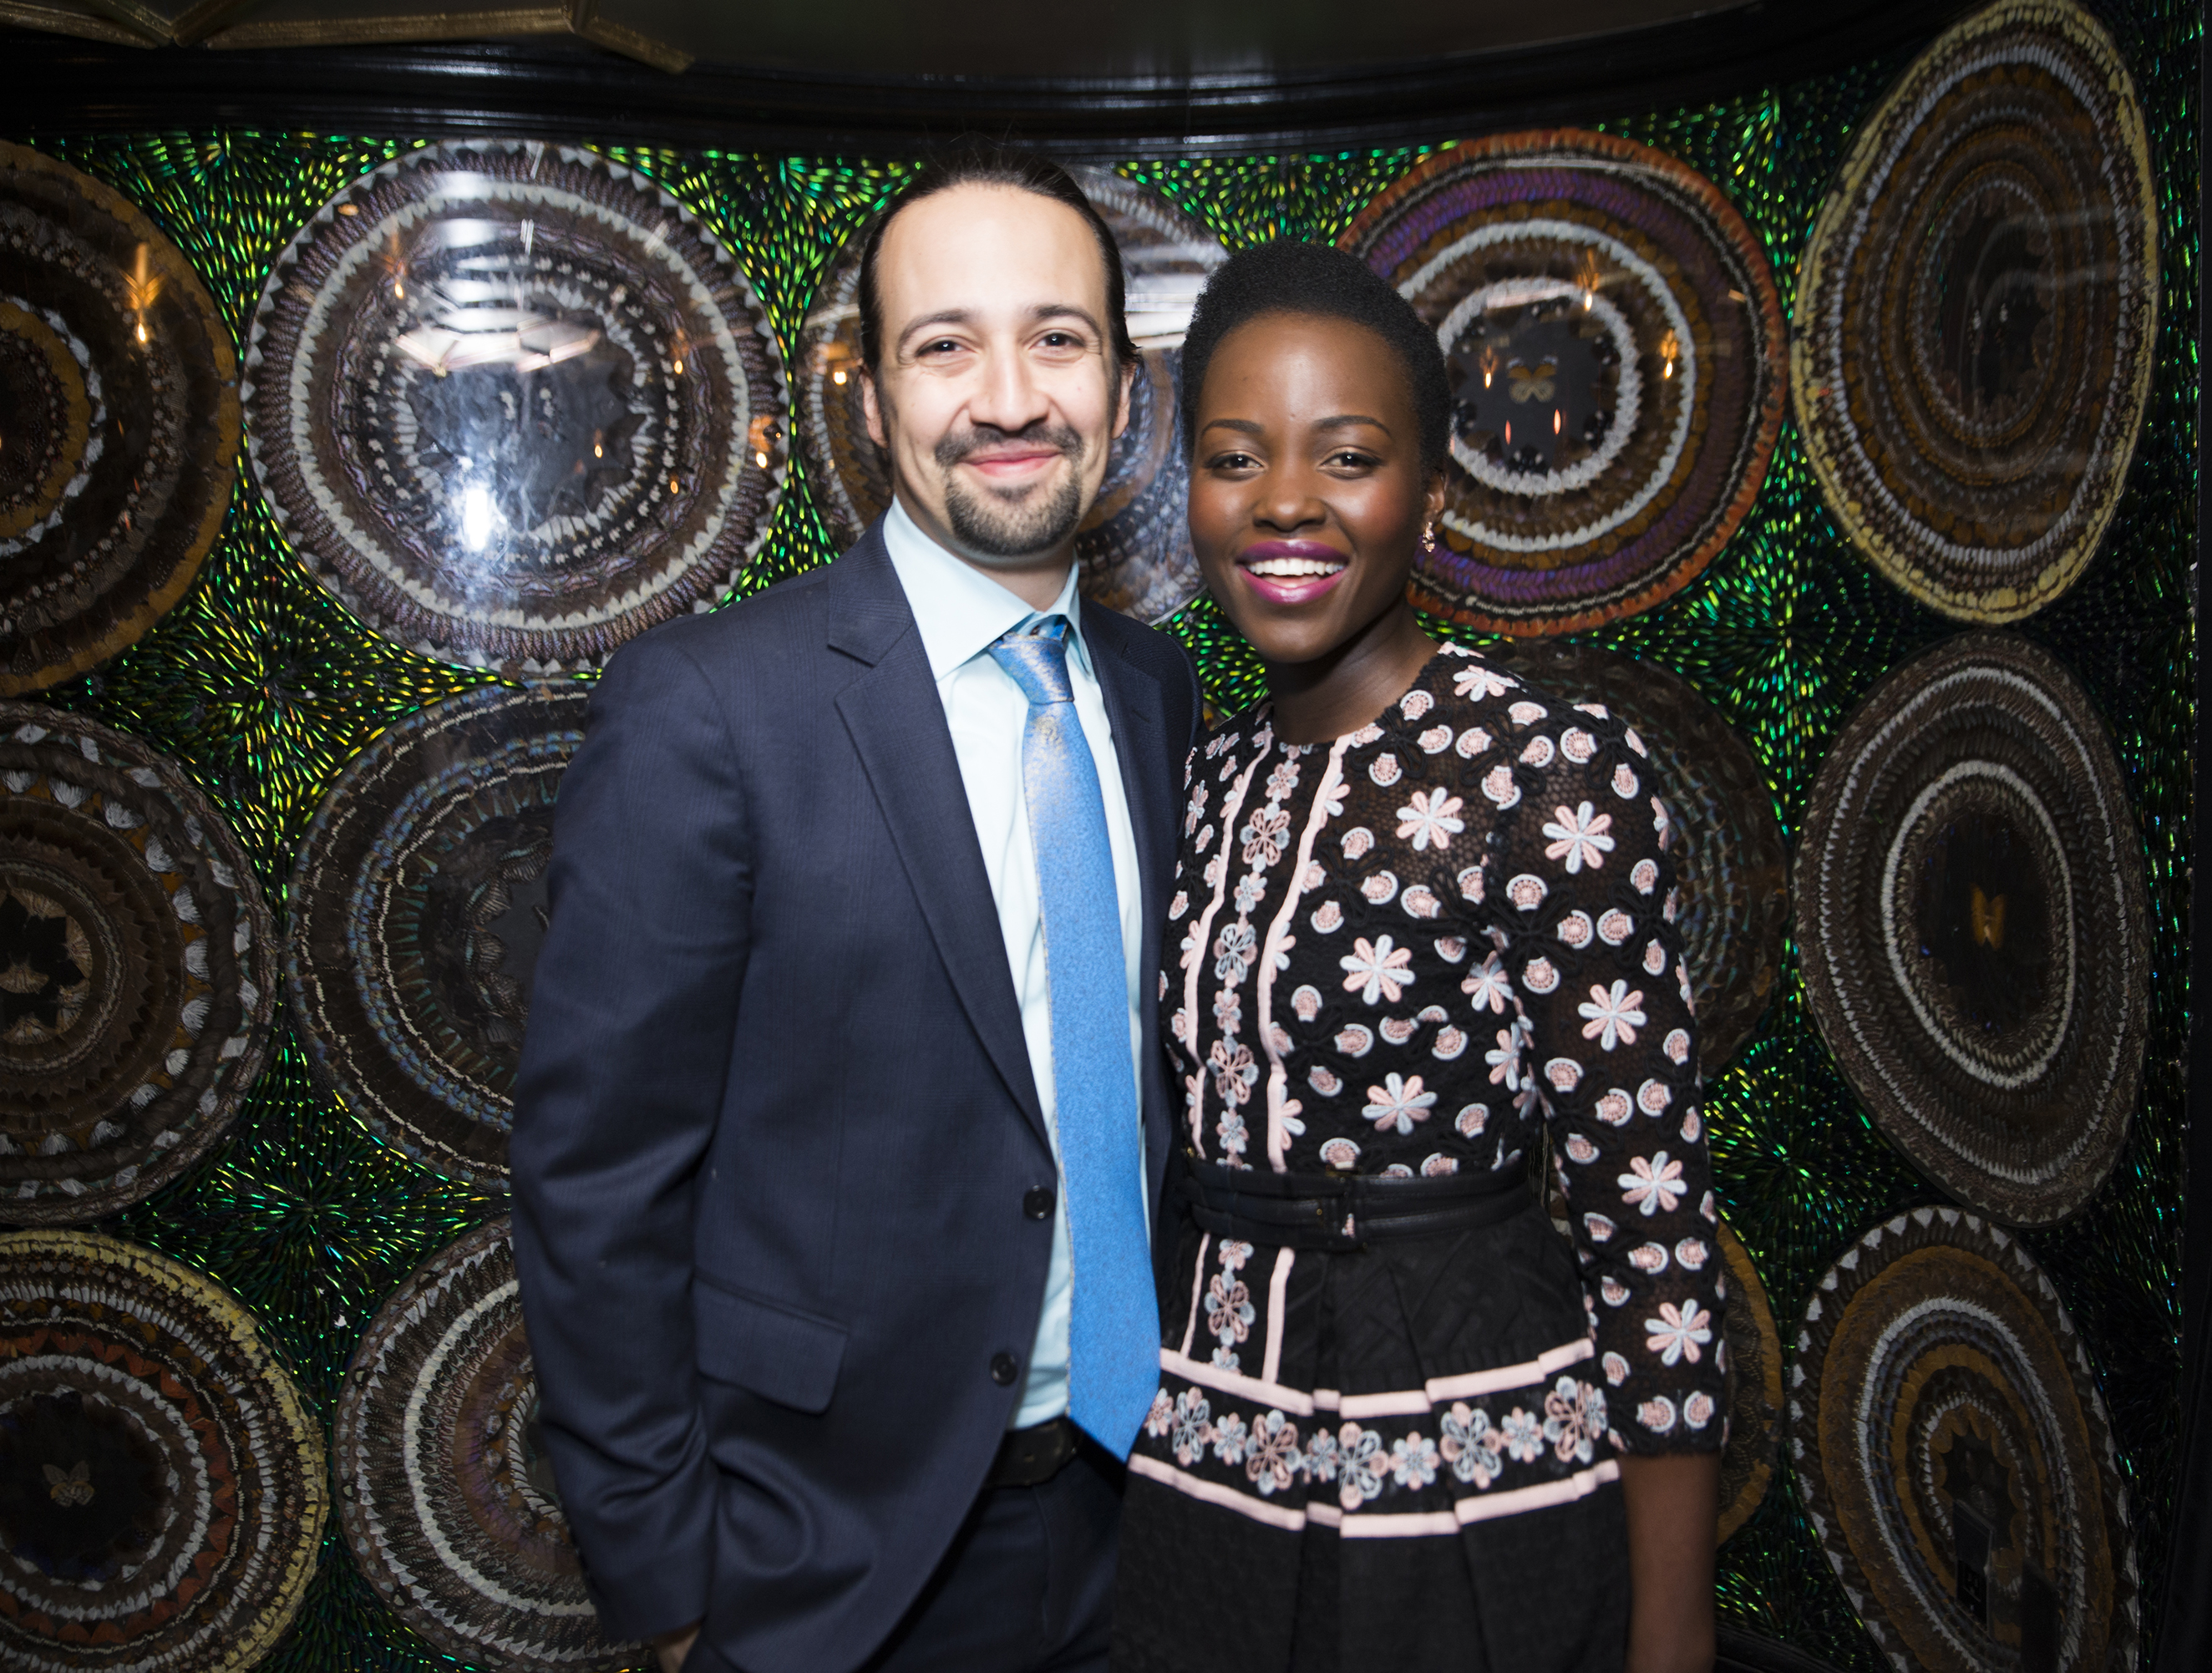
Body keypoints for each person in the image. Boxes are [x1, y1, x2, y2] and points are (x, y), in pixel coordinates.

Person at [510, 144, 1203, 1673]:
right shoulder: (709, 708)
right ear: (875, 405)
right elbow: (596, 1177)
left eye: (1059, 338)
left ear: (1125, 390)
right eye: (945, 344)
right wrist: (671, 1588)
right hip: (830, 1564)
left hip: (1143, 1529)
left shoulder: (1157, 694)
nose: (1011, 396)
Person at [1111, 241, 1725, 1673]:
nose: (1284, 503)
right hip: (1206, 1460)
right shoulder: (1203, 776)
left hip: (1465, 1459)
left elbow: (1655, 1221)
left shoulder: (1548, 773)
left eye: (1349, 456)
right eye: (1235, 456)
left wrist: (1674, 1628)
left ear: (1433, 498)